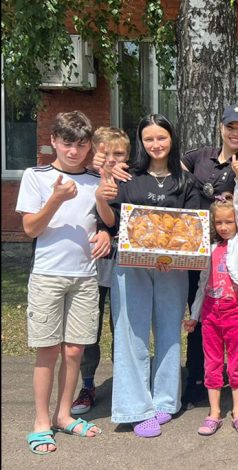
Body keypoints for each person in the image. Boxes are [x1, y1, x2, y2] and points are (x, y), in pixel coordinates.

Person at [98, 114, 199, 438]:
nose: (156, 144)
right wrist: (101, 197)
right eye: (149, 139)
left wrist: (174, 255)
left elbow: (194, 227)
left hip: (173, 269)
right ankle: (133, 408)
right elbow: (113, 221)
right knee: (131, 334)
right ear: (141, 142)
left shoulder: (185, 183)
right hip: (131, 267)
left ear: (172, 140)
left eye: (162, 138)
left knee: (169, 333)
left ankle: (166, 402)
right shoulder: (128, 177)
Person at [17, 111, 111, 454]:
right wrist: (56, 199)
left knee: (74, 351)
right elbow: (30, 229)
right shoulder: (36, 176)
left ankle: (64, 415)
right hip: (47, 275)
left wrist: (105, 234)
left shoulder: (94, 179)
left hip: (85, 277)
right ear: (54, 141)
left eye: (81, 144)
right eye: (67, 142)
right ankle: (41, 423)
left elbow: (104, 219)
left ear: (89, 146)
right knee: (48, 351)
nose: (74, 150)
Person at [179, 105, 238, 413]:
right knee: (201, 315)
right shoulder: (199, 156)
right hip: (203, 250)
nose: (236, 133)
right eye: (231, 126)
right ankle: (196, 381)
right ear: (220, 127)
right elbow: (172, 168)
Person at [183, 156, 238, 436]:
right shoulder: (211, 249)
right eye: (220, 223)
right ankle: (214, 412)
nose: (225, 226)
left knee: (237, 362)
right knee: (212, 362)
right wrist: (194, 315)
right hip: (211, 314)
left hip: (235, 313)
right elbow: (202, 285)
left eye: (229, 222)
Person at [71, 127, 130, 416]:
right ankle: (88, 384)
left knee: (121, 326)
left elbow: (123, 220)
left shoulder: (130, 182)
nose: (111, 159)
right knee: (88, 329)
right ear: (95, 153)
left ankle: (124, 381)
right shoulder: (86, 180)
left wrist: (109, 230)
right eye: (105, 153)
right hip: (90, 265)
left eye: (118, 153)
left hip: (122, 263)